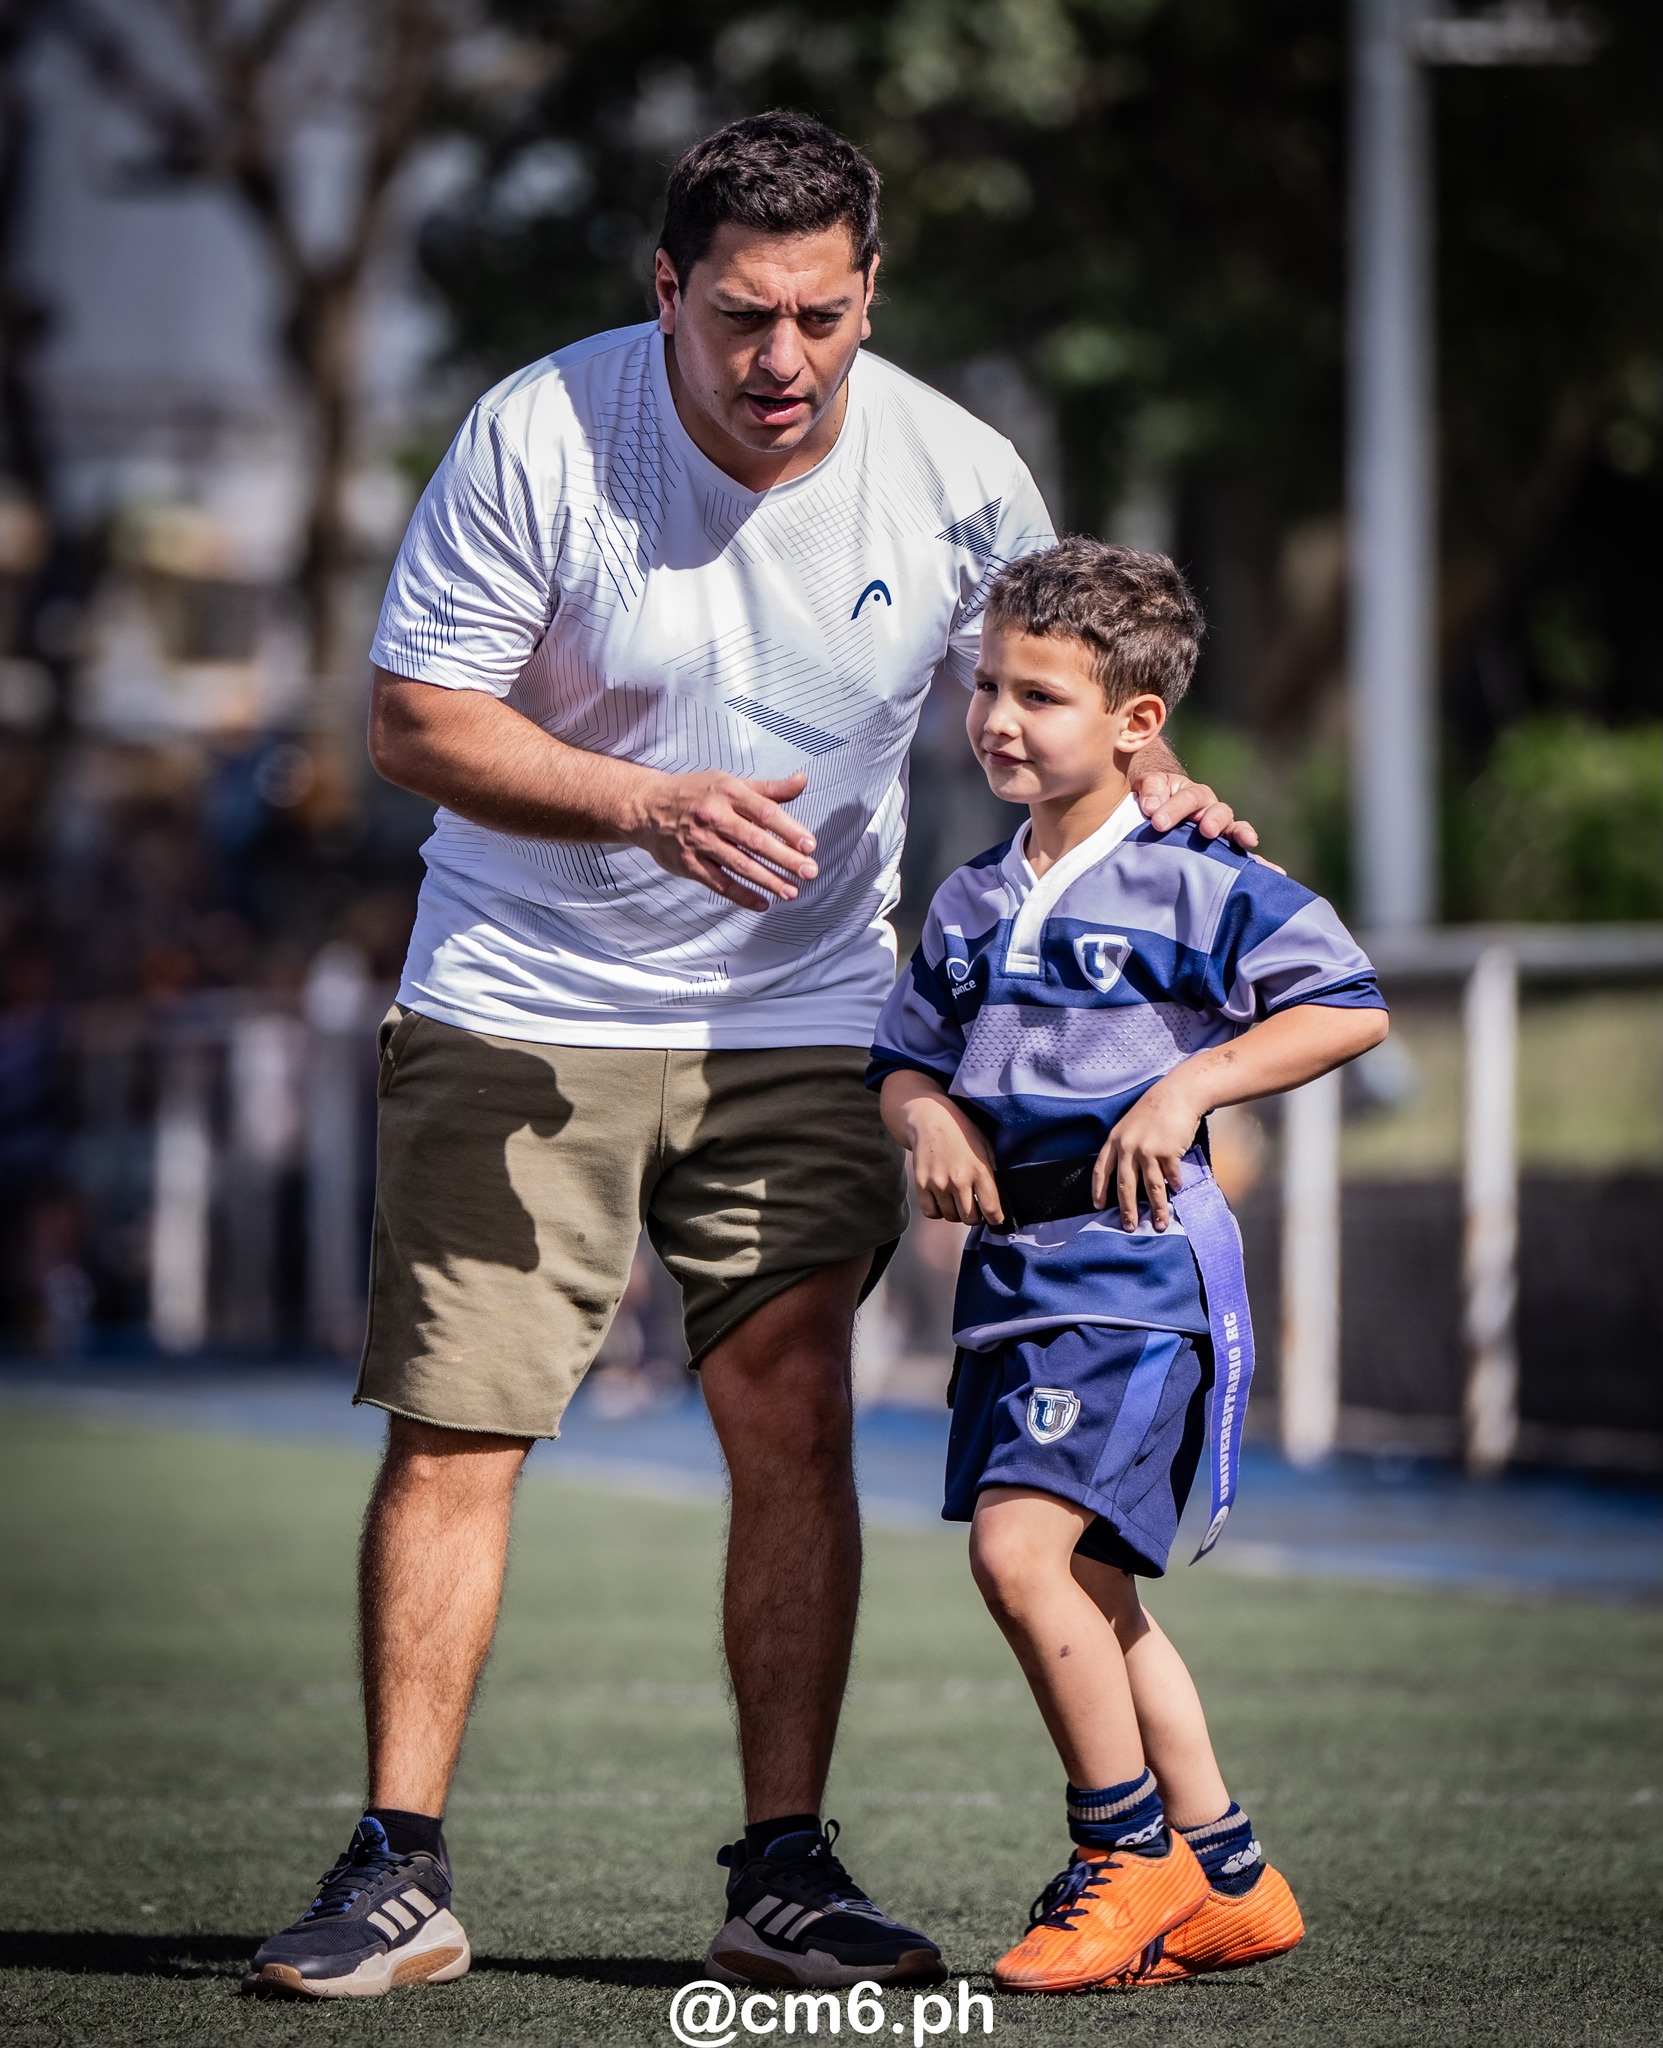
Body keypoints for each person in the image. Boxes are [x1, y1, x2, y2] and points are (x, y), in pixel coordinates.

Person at [245, 116, 1260, 2000]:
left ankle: (782, 1873)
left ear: (870, 292)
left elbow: (1061, 693)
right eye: (739, 316)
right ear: (668, 292)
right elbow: (412, 720)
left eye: (819, 314)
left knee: (792, 1417)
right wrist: (644, 803)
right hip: (522, 996)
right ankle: (399, 1869)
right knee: (461, 1429)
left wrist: (1160, 786)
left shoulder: (959, 473)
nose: (781, 357)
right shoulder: (538, 434)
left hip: (805, 1015)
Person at [872, 539, 1388, 1994]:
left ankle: (1125, 1856)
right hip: (1010, 1284)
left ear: (1137, 723)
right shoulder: (969, 900)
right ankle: (1231, 1881)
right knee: (1092, 1587)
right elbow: (902, 1062)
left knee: (1018, 1556)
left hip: (1137, 1278)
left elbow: (1347, 1005)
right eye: (988, 685)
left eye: (1039, 695)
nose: (997, 718)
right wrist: (926, 1120)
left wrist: (1193, 1085)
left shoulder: (1199, 876)